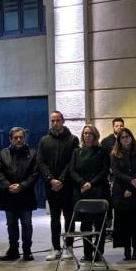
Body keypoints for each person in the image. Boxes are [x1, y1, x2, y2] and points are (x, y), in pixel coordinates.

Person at [37, 111, 79, 261]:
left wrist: (61, 179)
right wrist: (51, 179)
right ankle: (55, 248)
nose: (55, 123)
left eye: (58, 120)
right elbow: (41, 162)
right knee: (54, 218)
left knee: (69, 217)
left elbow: (72, 162)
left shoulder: (73, 140)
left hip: (67, 186)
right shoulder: (44, 140)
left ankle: (68, 247)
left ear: (63, 121)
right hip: (51, 186)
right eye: (53, 121)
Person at [65, 125, 110, 262]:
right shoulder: (77, 152)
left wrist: (91, 183)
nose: (87, 136)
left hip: (98, 191)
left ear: (95, 135)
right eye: (85, 133)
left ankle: (98, 251)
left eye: (90, 133)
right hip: (82, 192)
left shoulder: (102, 151)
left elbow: (104, 170)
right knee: (85, 225)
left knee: (99, 224)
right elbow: (72, 170)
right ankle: (87, 253)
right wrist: (82, 183)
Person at [0, 127, 38, 261]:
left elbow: (35, 174)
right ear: (10, 139)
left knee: (26, 224)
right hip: (9, 195)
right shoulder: (3, 153)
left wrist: (22, 186)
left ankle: (27, 250)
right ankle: (13, 250)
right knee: (11, 224)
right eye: (16, 137)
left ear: (25, 138)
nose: (19, 140)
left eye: (21, 137)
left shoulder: (32, 153)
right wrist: (8, 186)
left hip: (25, 194)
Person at [110, 127, 136, 260]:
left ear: (132, 137)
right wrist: (130, 183)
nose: (126, 139)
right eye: (123, 137)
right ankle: (126, 249)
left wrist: (132, 187)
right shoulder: (114, 154)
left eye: (127, 136)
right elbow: (116, 173)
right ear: (119, 140)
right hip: (121, 191)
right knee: (123, 223)